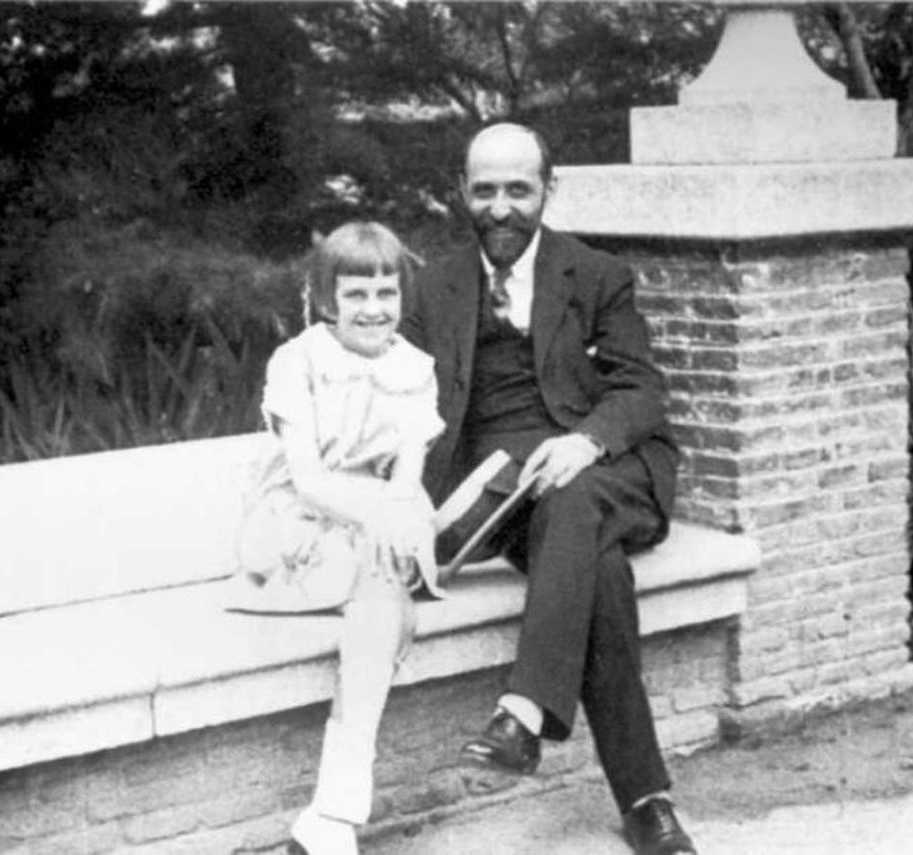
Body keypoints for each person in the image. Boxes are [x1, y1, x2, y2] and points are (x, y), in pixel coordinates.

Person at [400, 123, 697, 855]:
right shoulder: (433, 286)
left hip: (610, 469)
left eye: (518, 190)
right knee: (597, 570)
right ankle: (646, 801)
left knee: (576, 495)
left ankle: (524, 711)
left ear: (547, 192)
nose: (501, 208)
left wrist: (585, 440)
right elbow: (399, 400)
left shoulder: (596, 274)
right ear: (462, 193)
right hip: (505, 495)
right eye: (485, 190)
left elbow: (642, 390)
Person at [229, 221, 444, 855]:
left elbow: (406, 480)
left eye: (386, 293)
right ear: (328, 300)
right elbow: (309, 477)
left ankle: (331, 820)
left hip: (373, 518)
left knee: (384, 590)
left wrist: (396, 513)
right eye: (356, 295)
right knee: (387, 596)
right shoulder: (298, 361)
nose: (374, 310)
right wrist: (382, 516)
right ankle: (335, 813)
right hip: (295, 519)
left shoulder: (415, 370)